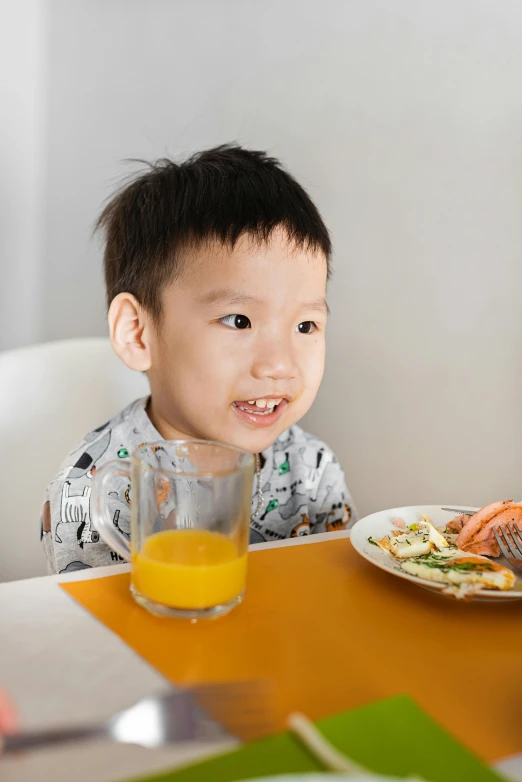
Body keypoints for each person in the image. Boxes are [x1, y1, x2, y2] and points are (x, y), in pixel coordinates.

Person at [41, 144, 357, 574]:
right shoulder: (97, 490)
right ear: (137, 333)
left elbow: (334, 598)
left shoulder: (312, 470)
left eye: (306, 326)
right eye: (239, 320)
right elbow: (100, 632)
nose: (279, 365)